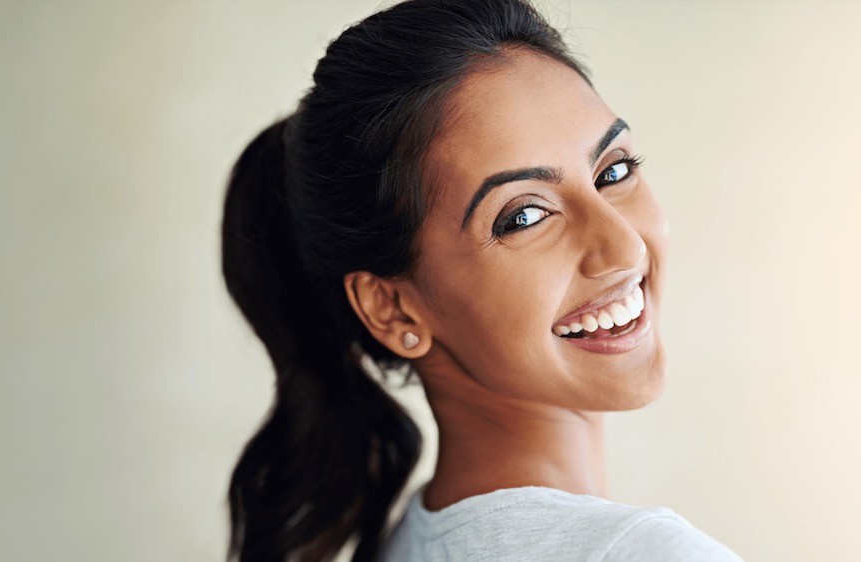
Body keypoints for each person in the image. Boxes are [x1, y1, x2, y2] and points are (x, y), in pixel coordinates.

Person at [221, 0, 743, 560]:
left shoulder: (404, 543)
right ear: (393, 310)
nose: (624, 246)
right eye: (523, 215)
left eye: (612, 170)